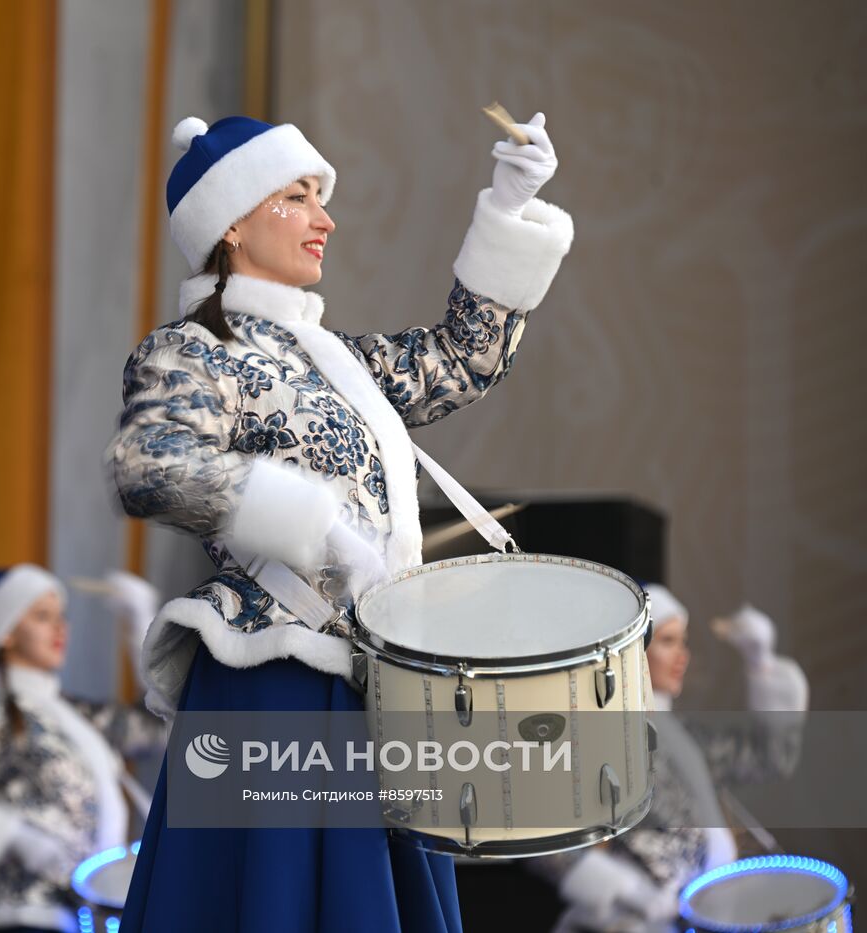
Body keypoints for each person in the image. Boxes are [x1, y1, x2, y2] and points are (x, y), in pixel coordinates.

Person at [106, 112, 573, 931]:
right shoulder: (188, 350)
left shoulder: (339, 359)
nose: (326, 219)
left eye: (321, 197)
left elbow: (457, 361)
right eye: (298, 196)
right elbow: (148, 466)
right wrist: (308, 523)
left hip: (373, 684)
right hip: (273, 677)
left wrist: (508, 208)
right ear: (232, 224)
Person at [537, 584, 808, 932]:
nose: (683, 655)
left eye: (684, 641)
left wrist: (761, 662)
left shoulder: (685, 736)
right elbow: (543, 834)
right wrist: (626, 889)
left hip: (710, 912)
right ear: (631, 650)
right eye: (667, 641)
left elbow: (768, 758)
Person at [0, 565, 168, 933]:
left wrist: (143, 626)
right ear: (6, 632)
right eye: (43, 616)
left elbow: (161, 729)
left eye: (62, 616)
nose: (61, 627)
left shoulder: (78, 715)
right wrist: (16, 837)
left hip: (88, 914)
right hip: (29, 915)